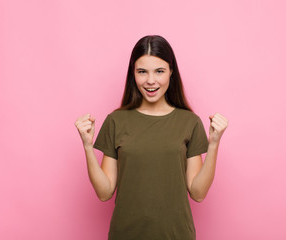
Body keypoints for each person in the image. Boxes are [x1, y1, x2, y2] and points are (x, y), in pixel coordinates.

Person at [74, 35, 228, 240]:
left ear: (171, 72)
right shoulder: (116, 121)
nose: (151, 80)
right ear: (133, 74)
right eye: (142, 72)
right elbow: (104, 192)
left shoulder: (189, 122)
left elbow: (198, 193)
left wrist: (214, 144)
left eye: (159, 71)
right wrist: (87, 146)